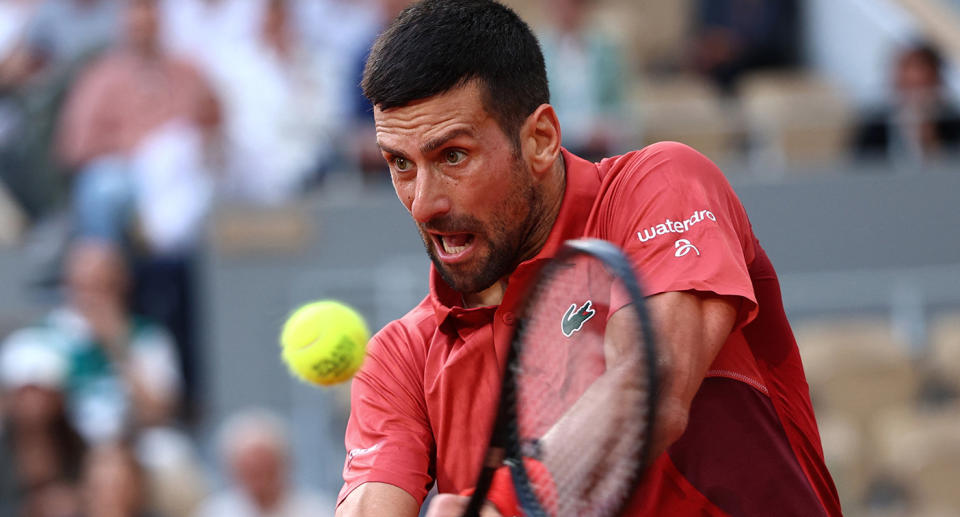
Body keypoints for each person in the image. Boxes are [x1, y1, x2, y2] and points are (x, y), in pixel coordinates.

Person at [336, 1, 842, 516]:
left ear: (540, 140)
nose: (423, 203)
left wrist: (505, 507)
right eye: (400, 164)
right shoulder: (399, 362)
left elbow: (650, 387)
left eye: (453, 156)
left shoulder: (661, 185)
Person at [193, 408, 333, 517]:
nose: (259, 480)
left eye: (266, 468)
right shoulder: (215, 512)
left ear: (285, 464)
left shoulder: (317, 510)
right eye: (250, 470)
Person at [853, 41, 960, 167]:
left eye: (922, 86)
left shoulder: (952, 122)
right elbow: (859, 167)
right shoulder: (876, 125)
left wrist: (929, 137)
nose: (915, 96)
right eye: (907, 87)